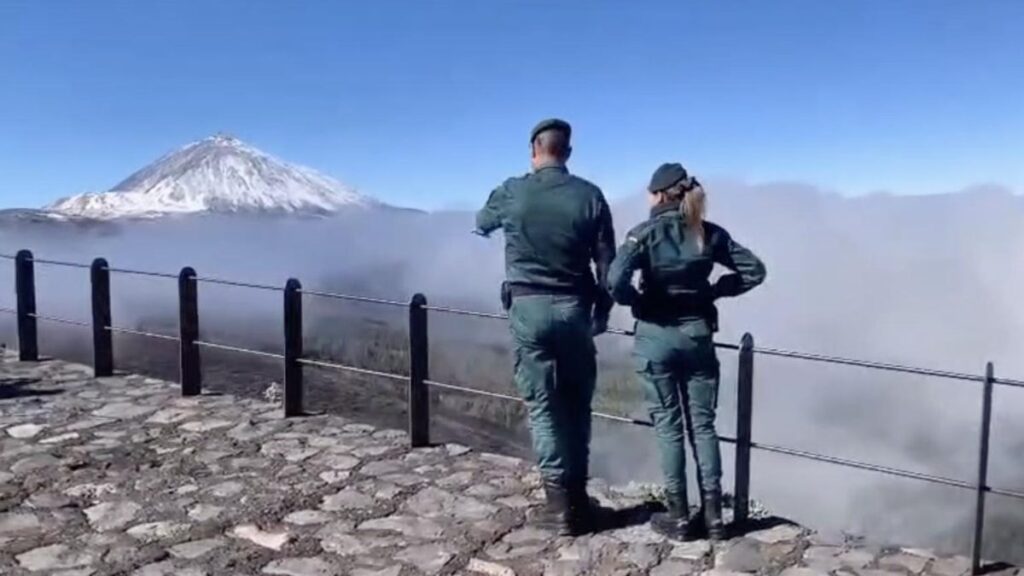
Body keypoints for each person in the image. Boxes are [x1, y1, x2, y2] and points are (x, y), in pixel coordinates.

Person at [608, 163, 765, 541]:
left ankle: (678, 516)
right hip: (697, 337)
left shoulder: (642, 235)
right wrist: (715, 291)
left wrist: (637, 301)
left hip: (655, 337)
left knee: (669, 427)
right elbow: (755, 271)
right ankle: (714, 520)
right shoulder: (708, 234)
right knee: (704, 426)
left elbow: (614, 281)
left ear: (660, 195)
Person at [475, 118, 616, 535]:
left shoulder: (512, 190)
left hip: (527, 309)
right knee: (576, 405)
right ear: (567, 152)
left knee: (543, 407)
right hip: (575, 309)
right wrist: (602, 312)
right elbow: (606, 263)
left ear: (534, 150)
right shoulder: (590, 195)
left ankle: (557, 506)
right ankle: (578, 499)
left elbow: (482, 222)